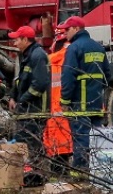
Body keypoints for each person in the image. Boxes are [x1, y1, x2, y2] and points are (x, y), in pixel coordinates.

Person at [59, 16, 110, 172]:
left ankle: (81, 170)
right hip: (96, 102)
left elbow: (68, 76)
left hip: (79, 103)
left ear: (76, 29)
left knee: (81, 136)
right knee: (96, 137)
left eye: (67, 29)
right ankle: (98, 168)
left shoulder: (74, 48)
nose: (65, 33)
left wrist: (65, 100)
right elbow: (107, 76)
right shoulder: (99, 48)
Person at [8, 25, 50, 165]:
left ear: (25, 39)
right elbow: (20, 80)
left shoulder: (37, 56)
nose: (14, 43)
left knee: (31, 146)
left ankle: (35, 173)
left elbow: (40, 84)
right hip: (27, 110)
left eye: (17, 40)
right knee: (25, 144)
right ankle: (29, 172)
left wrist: (21, 100)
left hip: (35, 111)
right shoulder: (27, 55)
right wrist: (13, 96)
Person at [44, 25, 73, 173]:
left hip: (54, 109)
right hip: (69, 108)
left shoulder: (50, 60)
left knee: (57, 149)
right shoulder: (73, 55)